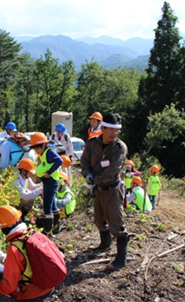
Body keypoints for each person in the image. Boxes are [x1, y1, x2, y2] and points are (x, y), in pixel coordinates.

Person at [81, 113, 130, 270]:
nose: (115, 133)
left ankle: (121, 259)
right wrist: (87, 174)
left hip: (113, 189)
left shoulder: (119, 147)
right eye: (112, 130)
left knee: (117, 225)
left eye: (118, 130)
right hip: (99, 189)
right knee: (99, 219)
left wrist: (93, 180)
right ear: (103, 128)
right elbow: (85, 161)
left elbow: (112, 171)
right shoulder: (93, 143)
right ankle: (104, 244)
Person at [0, 206, 54, 301]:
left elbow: (9, 286)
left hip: (33, 291)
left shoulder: (14, 248)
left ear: (4, 229)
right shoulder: (36, 235)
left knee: (3, 295)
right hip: (50, 284)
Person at [28, 132, 63, 237]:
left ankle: (48, 232)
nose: (36, 151)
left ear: (43, 145)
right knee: (52, 204)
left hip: (51, 181)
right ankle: (56, 227)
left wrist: (49, 172)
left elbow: (59, 161)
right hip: (48, 181)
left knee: (47, 206)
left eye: (37, 148)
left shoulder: (49, 152)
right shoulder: (44, 152)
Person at [14, 158, 43, 222]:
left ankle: (22, 217)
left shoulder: (27, 178)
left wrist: (42, 184)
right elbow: (25, 196)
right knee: (30, 196)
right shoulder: (16, 180)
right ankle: (16, 216)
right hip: (13, 203)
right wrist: (39, 190)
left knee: (31, 195)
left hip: (20, 200)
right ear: (23, 171)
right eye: (30, 172)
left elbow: (33, 187)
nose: (31, 174)